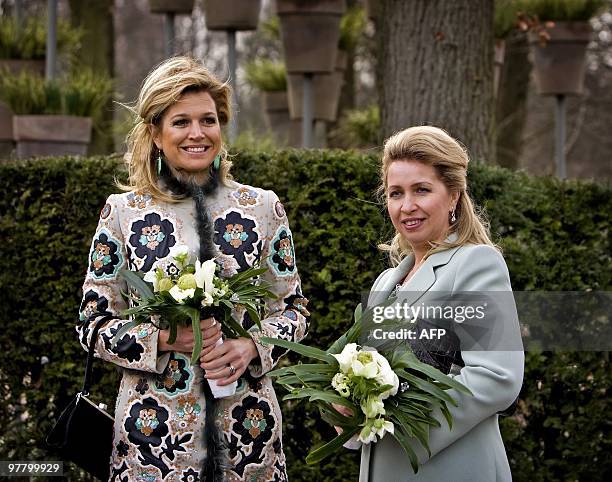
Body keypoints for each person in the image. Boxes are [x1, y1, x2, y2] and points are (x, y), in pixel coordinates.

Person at [76, 56, 308, 481]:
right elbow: (92, 325)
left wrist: (251, 347)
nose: (198, 133)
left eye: (210, 120)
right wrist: (166, 339)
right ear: (155, 133)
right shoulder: (123, 213)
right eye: (181, 122)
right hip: (153, 439)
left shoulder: (261, 208)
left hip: (247, 434)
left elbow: (293, 310)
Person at [356, 126, 524, 481]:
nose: (407, 206)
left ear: (453, 196)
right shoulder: (385, 282)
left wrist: (401, 419)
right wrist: (351, 404)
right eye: (395, 193)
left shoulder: (476, 264)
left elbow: (496, 377)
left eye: (422, 190)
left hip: (452, 467)